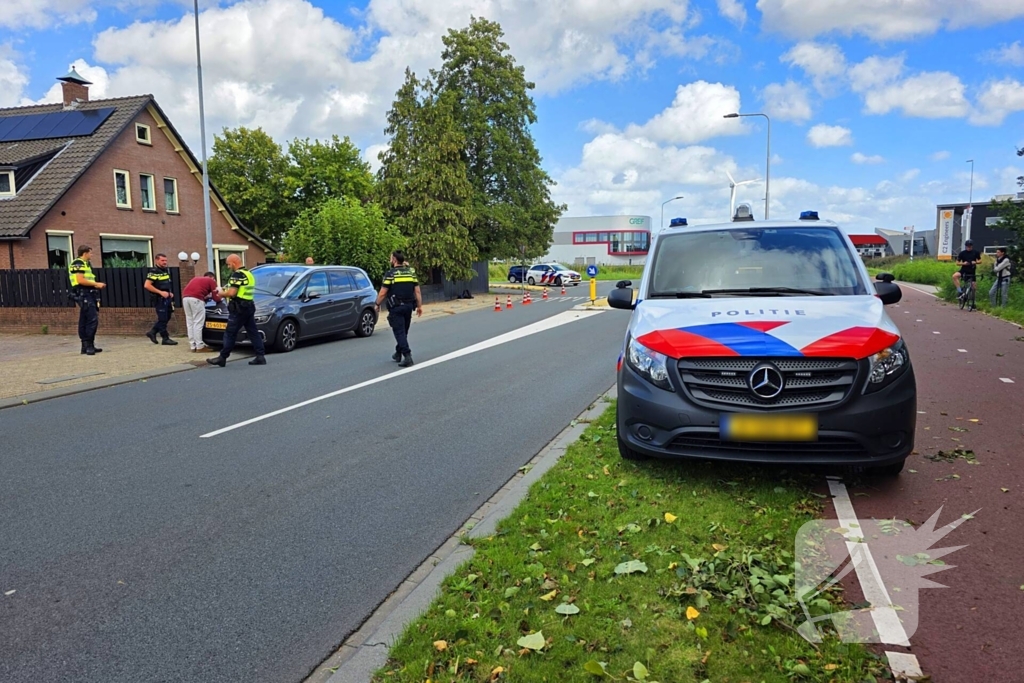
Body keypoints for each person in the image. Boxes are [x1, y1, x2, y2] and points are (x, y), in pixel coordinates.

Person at [207, 254, 266, 367]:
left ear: (234, 263)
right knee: (253, 331)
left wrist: (221, 293)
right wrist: (225, 289)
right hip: (249, 306)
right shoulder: (249, 274)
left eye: (229, 264)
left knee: (230, 333)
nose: (228, 267)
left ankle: (222, 357)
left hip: (239, 308)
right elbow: (240, 289)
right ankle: (260, 356)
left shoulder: (237, 275)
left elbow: (232, 293)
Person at [375, 250, 422, 367]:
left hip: (396, 308)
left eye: (391, 258)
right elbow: (417, 291)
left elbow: (382, 293)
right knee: (403, 331)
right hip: (409, 306)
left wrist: (377, 304)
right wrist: (420, 306)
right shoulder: (411, 272)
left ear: (395, 260)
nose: (390, 260)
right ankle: (398, 353)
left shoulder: (391, 274)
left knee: (400, 332)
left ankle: (407, 356)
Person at [68, 245, 106, 355]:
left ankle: (86, 345)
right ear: (85, 253)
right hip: (83, 293)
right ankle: (88, 345)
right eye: (90, 253)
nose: (91, 255)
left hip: (87, 293)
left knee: (85, 319)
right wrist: (96, 284)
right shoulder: (78, 263)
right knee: (91, 319)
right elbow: (80, 280)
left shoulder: (85, 264)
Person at [182, 270, 222, 352]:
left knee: (190, 322)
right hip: (197, 300)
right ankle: (200, 346)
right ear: (212, 277)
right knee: (198, 322)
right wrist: (220, 299)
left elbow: (195, 290)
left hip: (185, 298)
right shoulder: (211, 281)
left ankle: (192, 346)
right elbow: (216, 297)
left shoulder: (195, 279)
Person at [143, 253, 178, 345]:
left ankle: (153, 332)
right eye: (162, 260)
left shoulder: (165, 270)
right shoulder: (154, 271)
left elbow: (165, 284)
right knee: (162, 318)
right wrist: (160, 292)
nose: (165, 262)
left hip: (167, 298)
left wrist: (168, 292)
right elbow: (147, 285)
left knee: (167, 316)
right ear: (157, 260)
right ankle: (165, 338)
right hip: (159, 298)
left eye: (165, 260)